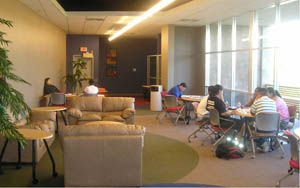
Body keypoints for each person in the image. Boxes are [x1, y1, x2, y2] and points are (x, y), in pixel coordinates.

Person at [250, 87, 277, 152]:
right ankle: (264, 142)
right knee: (261, 124)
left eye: (257, 94)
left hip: (260, 128)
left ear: (260, 94)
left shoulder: (257, 101)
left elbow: (252, 112)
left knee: (248, 125)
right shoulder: (273, 102)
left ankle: (261, 143)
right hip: (272, 128)